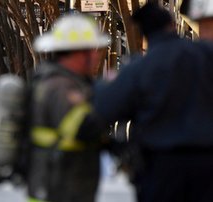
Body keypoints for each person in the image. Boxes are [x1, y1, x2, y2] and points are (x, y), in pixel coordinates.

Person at [94, 3, 213, 202]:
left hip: (161, 166)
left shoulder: (139, 68)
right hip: (207, 162)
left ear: (144, 32)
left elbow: (105, 109)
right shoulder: (205, 55)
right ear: (173, 25)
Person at [27, 14, 109, 202]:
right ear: (79, 53)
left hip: (58, 185)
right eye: (92, 50)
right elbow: (83, 127)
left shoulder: (56, 81)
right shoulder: (61, 87)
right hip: (59, 187)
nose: (97, 55)